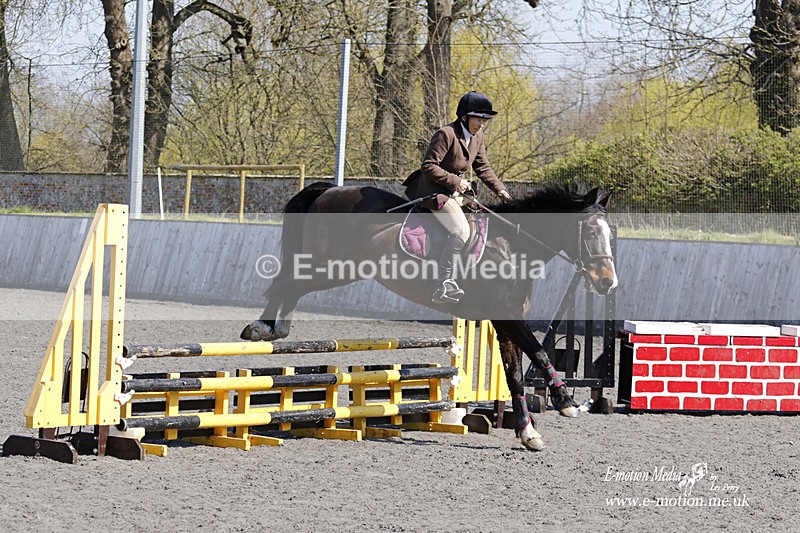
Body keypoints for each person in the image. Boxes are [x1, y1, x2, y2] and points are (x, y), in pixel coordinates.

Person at [403, 91, 513, 304]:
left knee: (478, 223)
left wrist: (500, 190)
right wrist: (456, 182)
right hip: (436, 192)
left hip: (456, 192)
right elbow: (428, 166)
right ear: (464, 116)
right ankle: (444, 283)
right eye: (478, 119)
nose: (481, 124)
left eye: (484, 120)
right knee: (460, 230)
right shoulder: (446, 134)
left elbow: (483, 167)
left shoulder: (478, 137)